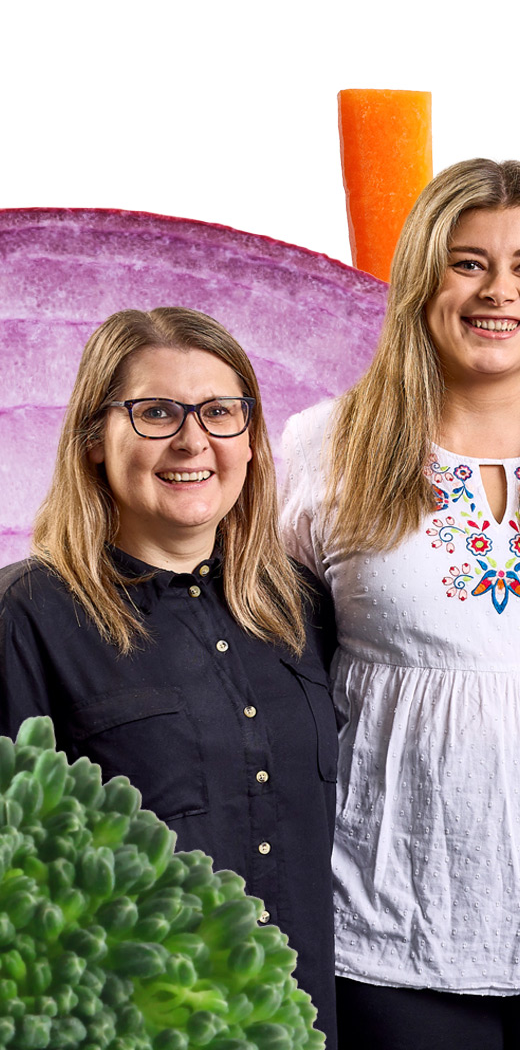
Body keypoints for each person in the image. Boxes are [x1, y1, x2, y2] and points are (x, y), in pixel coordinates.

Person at [280, 158, 520, 1050]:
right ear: (423, 277)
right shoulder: (324, 448)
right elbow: (265, 656)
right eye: (468, 261)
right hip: (390, 923)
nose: (499, 290)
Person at [0, 307, 338, 1044]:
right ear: (94, 439)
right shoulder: (26, 614)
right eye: (156, 412)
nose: (193, 440)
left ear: (250, 438)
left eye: (220, 412)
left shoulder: (301, 607)